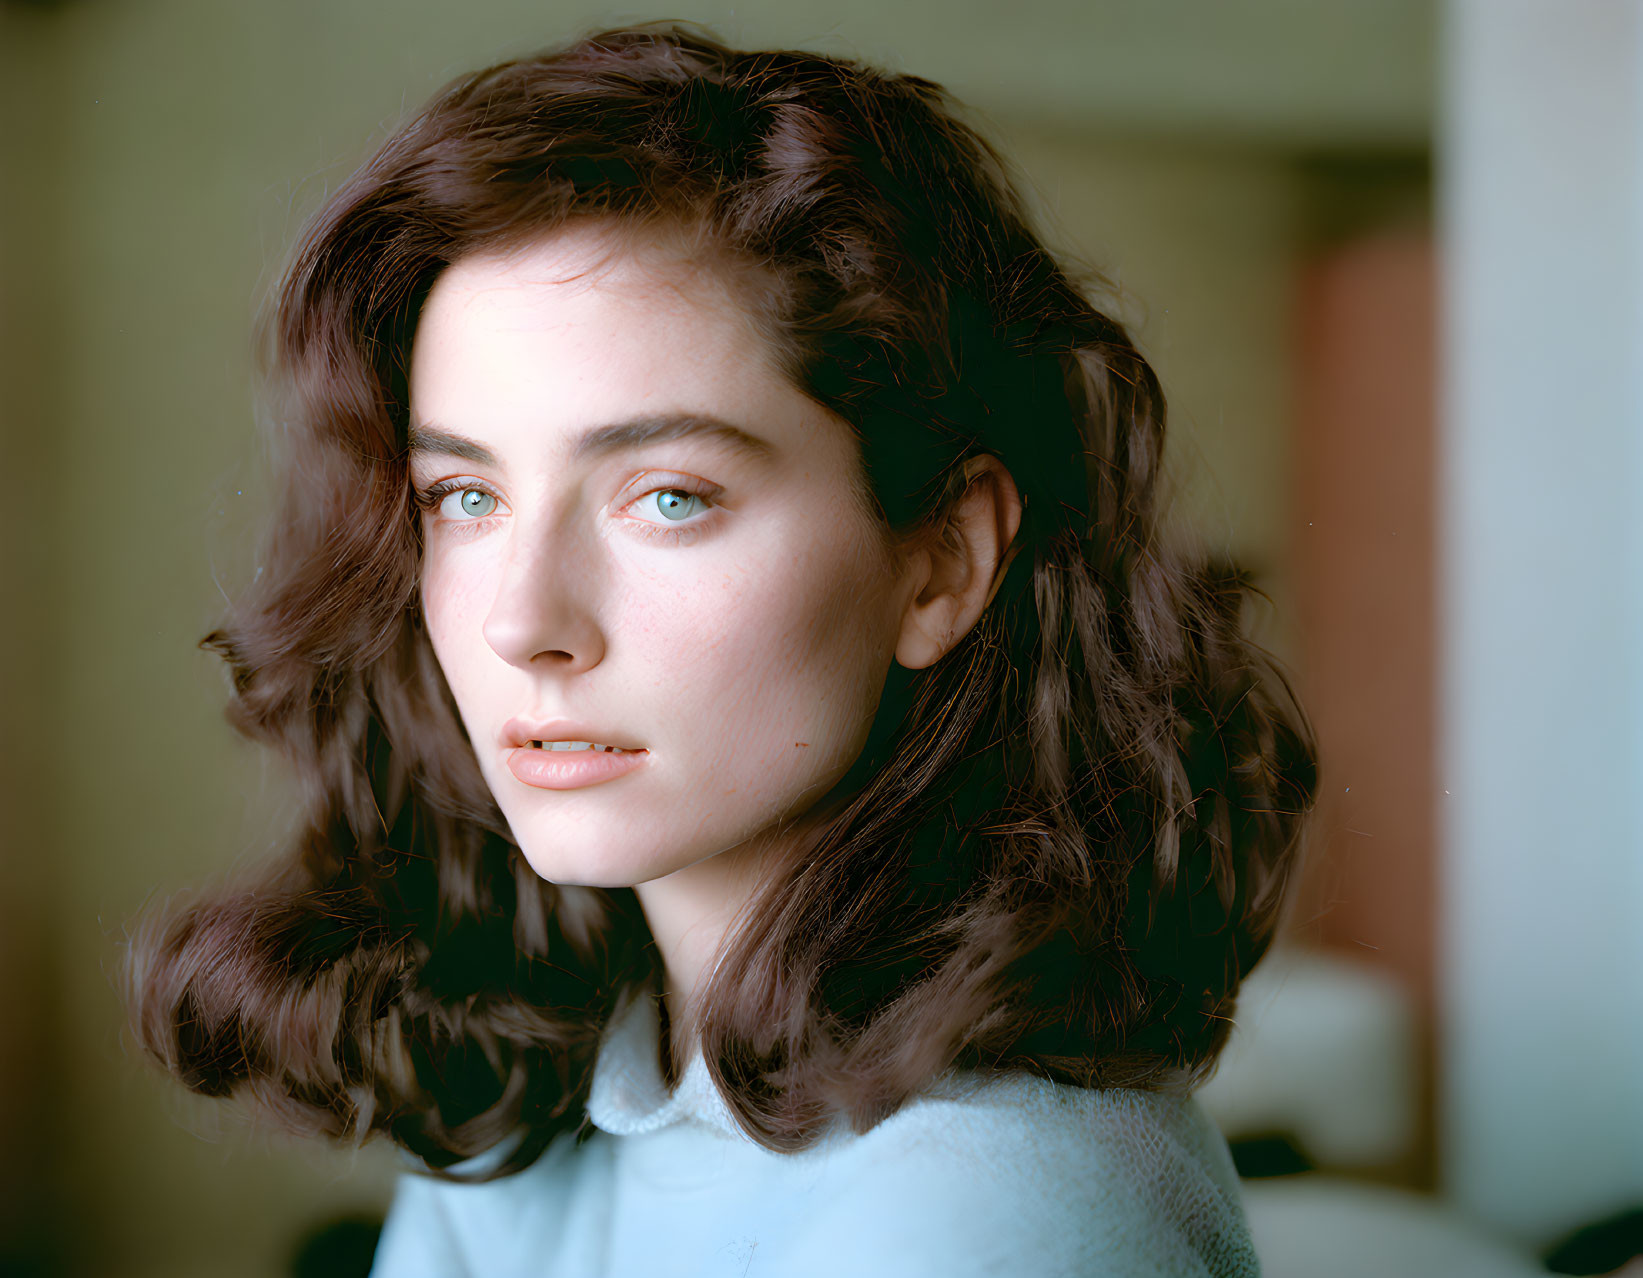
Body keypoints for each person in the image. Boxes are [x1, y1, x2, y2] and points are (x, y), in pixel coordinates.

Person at [124, 21, 1316, 1277]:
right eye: (465, 499)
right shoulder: (543, 1121)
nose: (522, 622)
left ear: (944, 559)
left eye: (668, 497)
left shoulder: (987, 1216)